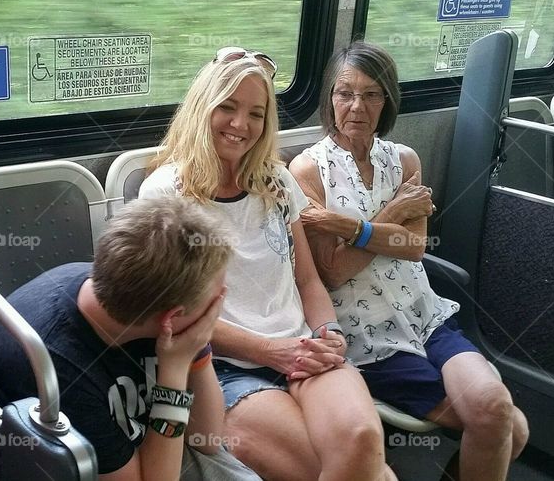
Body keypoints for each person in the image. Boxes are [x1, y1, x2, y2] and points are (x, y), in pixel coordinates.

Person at [138, 47, 393, 481]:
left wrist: (327, 333)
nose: (241, 125)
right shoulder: (166, 193)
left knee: (363, 445)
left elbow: (307, 279)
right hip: (221, 368)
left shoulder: (277, 182)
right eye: (228, 108)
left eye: (256, 114)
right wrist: (271, 351)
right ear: (204, 108)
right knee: (356, 474)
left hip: (301, 347)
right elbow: (172, 313)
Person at [288, 41, 529, 481]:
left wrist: (349, 226)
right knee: (506, 426)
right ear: (329, 99)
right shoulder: (307, 170)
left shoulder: (403, 159)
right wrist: (392, 216)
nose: (356, 106)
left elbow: (415, 247)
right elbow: (334, 272)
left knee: (499, 414)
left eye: (372, 94)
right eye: (345, 93)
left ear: (388, 101)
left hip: (423, 314)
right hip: (367, 336)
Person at [0, 197, 261, 481]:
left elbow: (207, 439)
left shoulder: (132, 297)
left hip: (145, 444)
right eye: (217, 297)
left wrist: (196, 353)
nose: (219, 303)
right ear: (172, 317)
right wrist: (174, 371)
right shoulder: (65, 369)